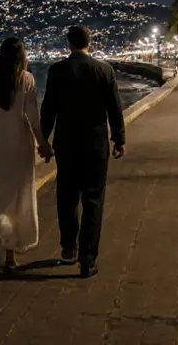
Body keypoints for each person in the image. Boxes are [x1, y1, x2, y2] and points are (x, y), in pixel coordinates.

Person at [40, 25, 125, 278]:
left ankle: (69, 246)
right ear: (90, 42)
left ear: (69, 44)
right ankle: (88, 260)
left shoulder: (56, 71)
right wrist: (119, 139)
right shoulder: (104, 70)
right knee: (93, 200)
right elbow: (115, 109)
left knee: (66, 197)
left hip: (66, 144)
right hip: (96, 146)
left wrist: (43, 141)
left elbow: (48, 110)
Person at [0, 37, 53, 274]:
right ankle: (10, 257)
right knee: (17, 196)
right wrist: (43, 143)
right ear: (22, 56)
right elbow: (32, 116)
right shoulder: (26, 79)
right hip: (19, 144)